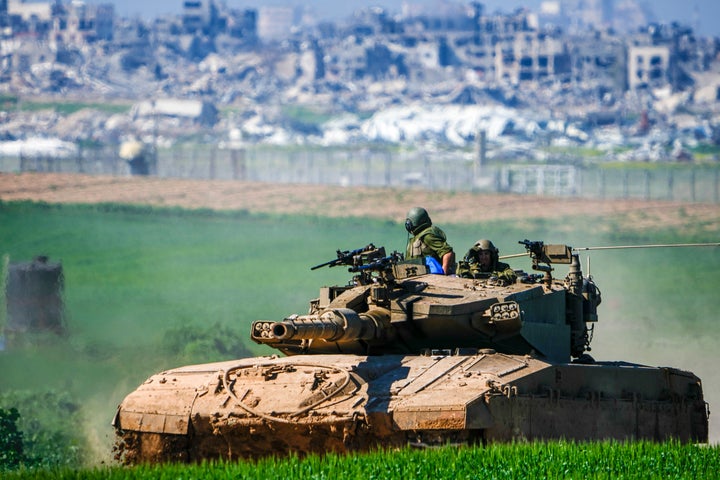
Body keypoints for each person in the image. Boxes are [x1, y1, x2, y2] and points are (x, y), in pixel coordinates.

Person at [404, 206, 455, 275]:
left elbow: (447, 252)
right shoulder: (416, 238)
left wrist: (444, 274)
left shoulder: (427, 235)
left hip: (432, 278)